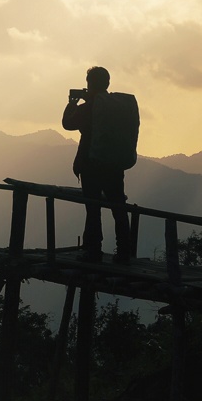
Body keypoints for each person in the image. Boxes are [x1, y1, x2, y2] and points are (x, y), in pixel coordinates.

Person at [62, 66, 139, 263]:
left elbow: (68, 123)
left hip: (91, 165)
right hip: (114, 165)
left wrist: (71, 104)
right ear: (107, 83)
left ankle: (93, 250)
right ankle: (124, 252)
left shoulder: (89, 108)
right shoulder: (115, 107)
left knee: (93, 208)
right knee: (118, 207)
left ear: (89, 83)